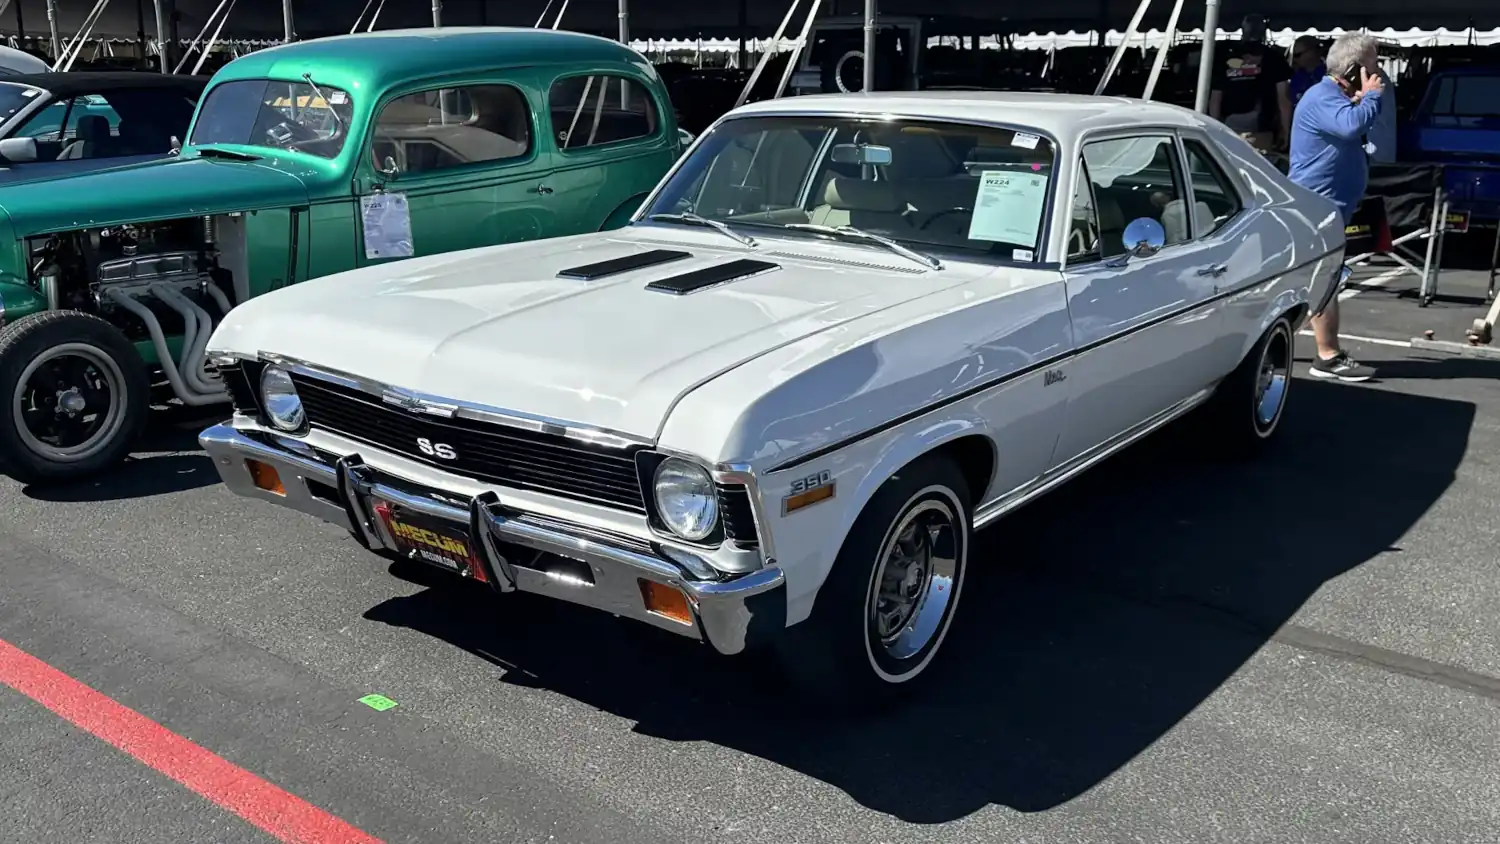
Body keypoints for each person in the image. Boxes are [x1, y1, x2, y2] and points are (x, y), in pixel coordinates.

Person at [1287, 31, 1385, 382]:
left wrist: (1362, 99)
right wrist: (1371, 98)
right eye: (1374, 64)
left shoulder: (1332, 96)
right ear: (1356, 67)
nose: (1379, 72)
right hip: (1317, 207)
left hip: (1327, 206)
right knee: (1323, 279)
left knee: (1317, 278)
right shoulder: (1322, 96)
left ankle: (1317, 350)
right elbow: (1351, 126)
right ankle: (1327, 356)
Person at [1209, 14, 1293, 153]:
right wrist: (1285, 131)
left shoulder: (1224, 57)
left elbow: (1215, 99)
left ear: (1242, 30)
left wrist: (1214, 130)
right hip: (1261, 129)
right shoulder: (1274, 58)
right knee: (1259, 172)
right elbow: (1283, 99)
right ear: (1264, 31)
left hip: (1230, 127)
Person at [1288, 36, 1325, 106]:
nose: (1294, 60)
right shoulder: (1295, 77)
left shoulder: (1330, 74)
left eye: (1297, 55)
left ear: (1312, 52)